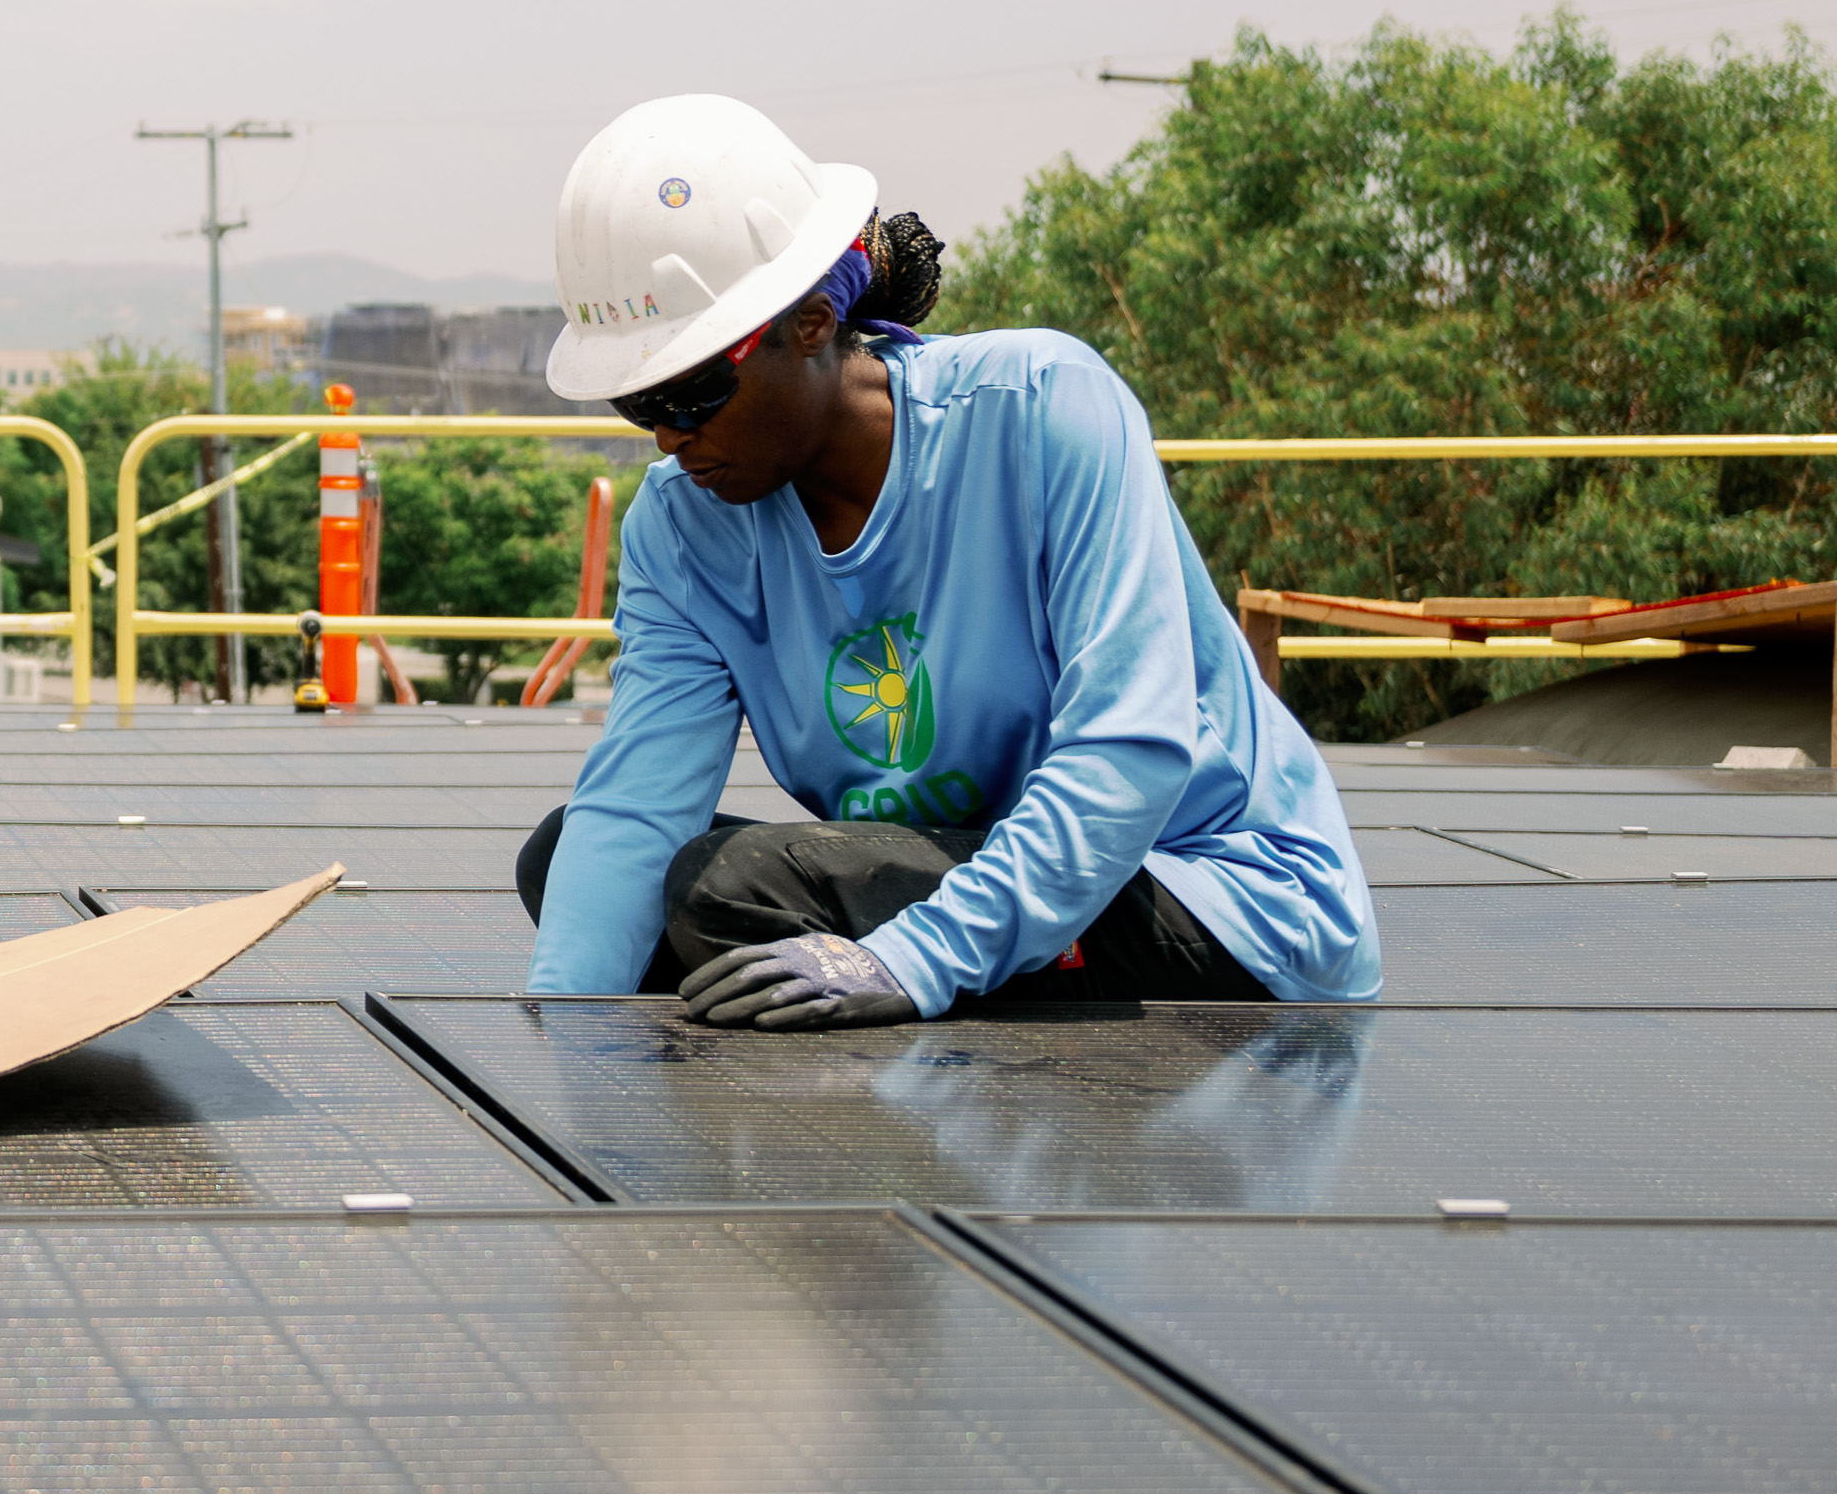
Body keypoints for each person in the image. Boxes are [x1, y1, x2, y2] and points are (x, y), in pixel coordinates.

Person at [514, 92, 1376, 1027]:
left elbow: (1130, 755)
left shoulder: (1044, 411)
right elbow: (636, 809)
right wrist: (559, 1059)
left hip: (1208, 891)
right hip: (986, 868)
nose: (668, 440)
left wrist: (907, 960)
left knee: (733, 892)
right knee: (575, 864)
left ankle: (941, 1132)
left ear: (810, 321)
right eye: (639, 405)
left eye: (691, 391)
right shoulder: (684, 532)